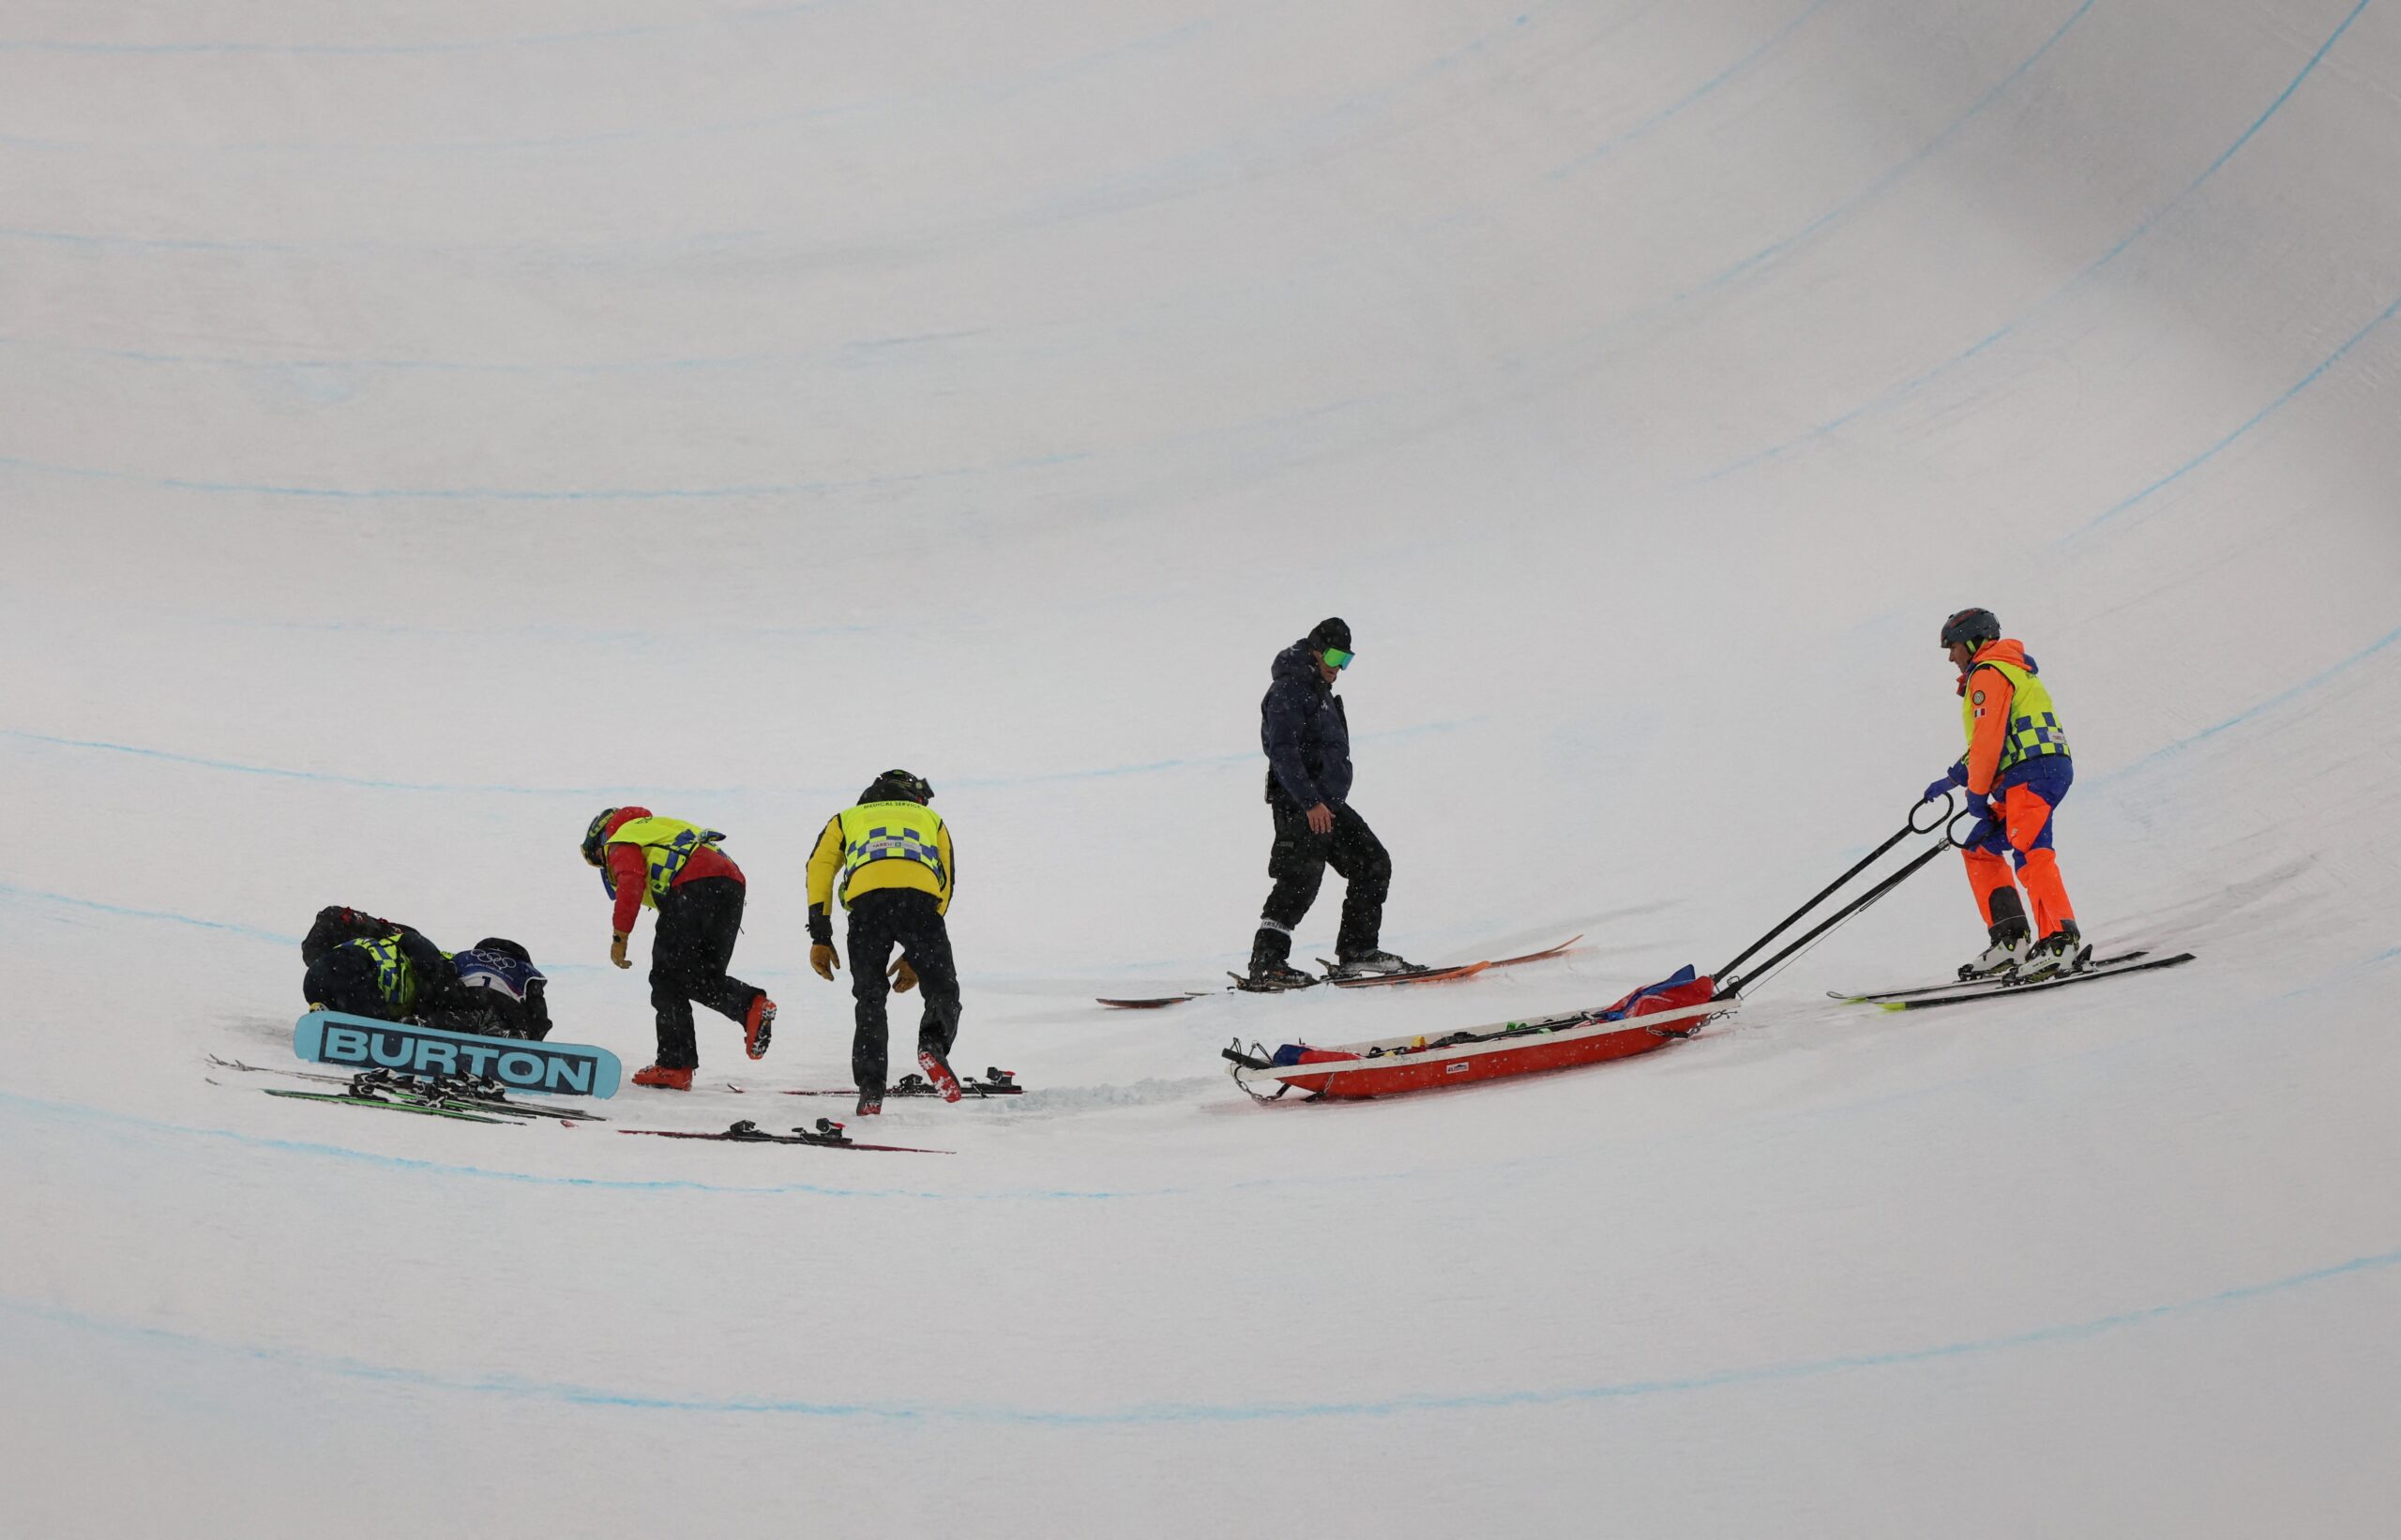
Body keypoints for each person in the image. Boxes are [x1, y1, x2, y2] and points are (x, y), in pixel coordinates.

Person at [1246, 617, 1412, 987]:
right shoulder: (1289, 690)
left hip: (1327, 805)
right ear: (1315, 650)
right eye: (1335, 655)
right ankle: (1267, 963)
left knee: (1371, 862)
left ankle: (1358, 952)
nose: (1339, 666)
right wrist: (1308, 801)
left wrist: (1328, 800)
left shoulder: (1319, 691)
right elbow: (1283, 752)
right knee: (1299, 877)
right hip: (1299, 804)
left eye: (1346, 659)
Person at [1925, 609, 2085, 979]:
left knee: (2029, 848)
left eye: (1953, 647)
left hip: (2033, 772)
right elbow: (1996, 734)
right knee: (1981, 849)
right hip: (2033, 769)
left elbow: (1988, 741)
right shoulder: (2005, 670)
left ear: (1973, 641)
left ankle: (2060, 940)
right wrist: (1954, 779)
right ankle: (2011, 938)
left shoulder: (1989, 672)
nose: (1951, 657)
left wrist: (1976, 793)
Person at [581, 808, 775, 1090]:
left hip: (690, 884)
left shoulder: (621, 836)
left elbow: (631, 880)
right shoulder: (660, 828)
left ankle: (674, 1066)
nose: (605, 865)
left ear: (600, 838)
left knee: (666, 979)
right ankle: (749, 1005)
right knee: (700, 977)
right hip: (730, 885)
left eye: (599, 859)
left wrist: (620, 937)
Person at [804, 770, 962, 1115]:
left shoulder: (846, 818)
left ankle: (871, 1088)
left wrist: (820, 934)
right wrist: (916, 956)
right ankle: (932, 1046)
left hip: (866, 906)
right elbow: (946, 881)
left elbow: (819, 868)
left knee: (870, 998)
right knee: (942, 989)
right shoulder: (930, 818)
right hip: (920, 902)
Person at [300, 907, 461, 1025]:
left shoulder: (395, 947)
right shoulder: (440, 963)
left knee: (368, 1012)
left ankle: (328, 1009)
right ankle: (339, 1012)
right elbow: (415, 942)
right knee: (378, 1021)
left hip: (317, 979)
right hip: (351, 971)